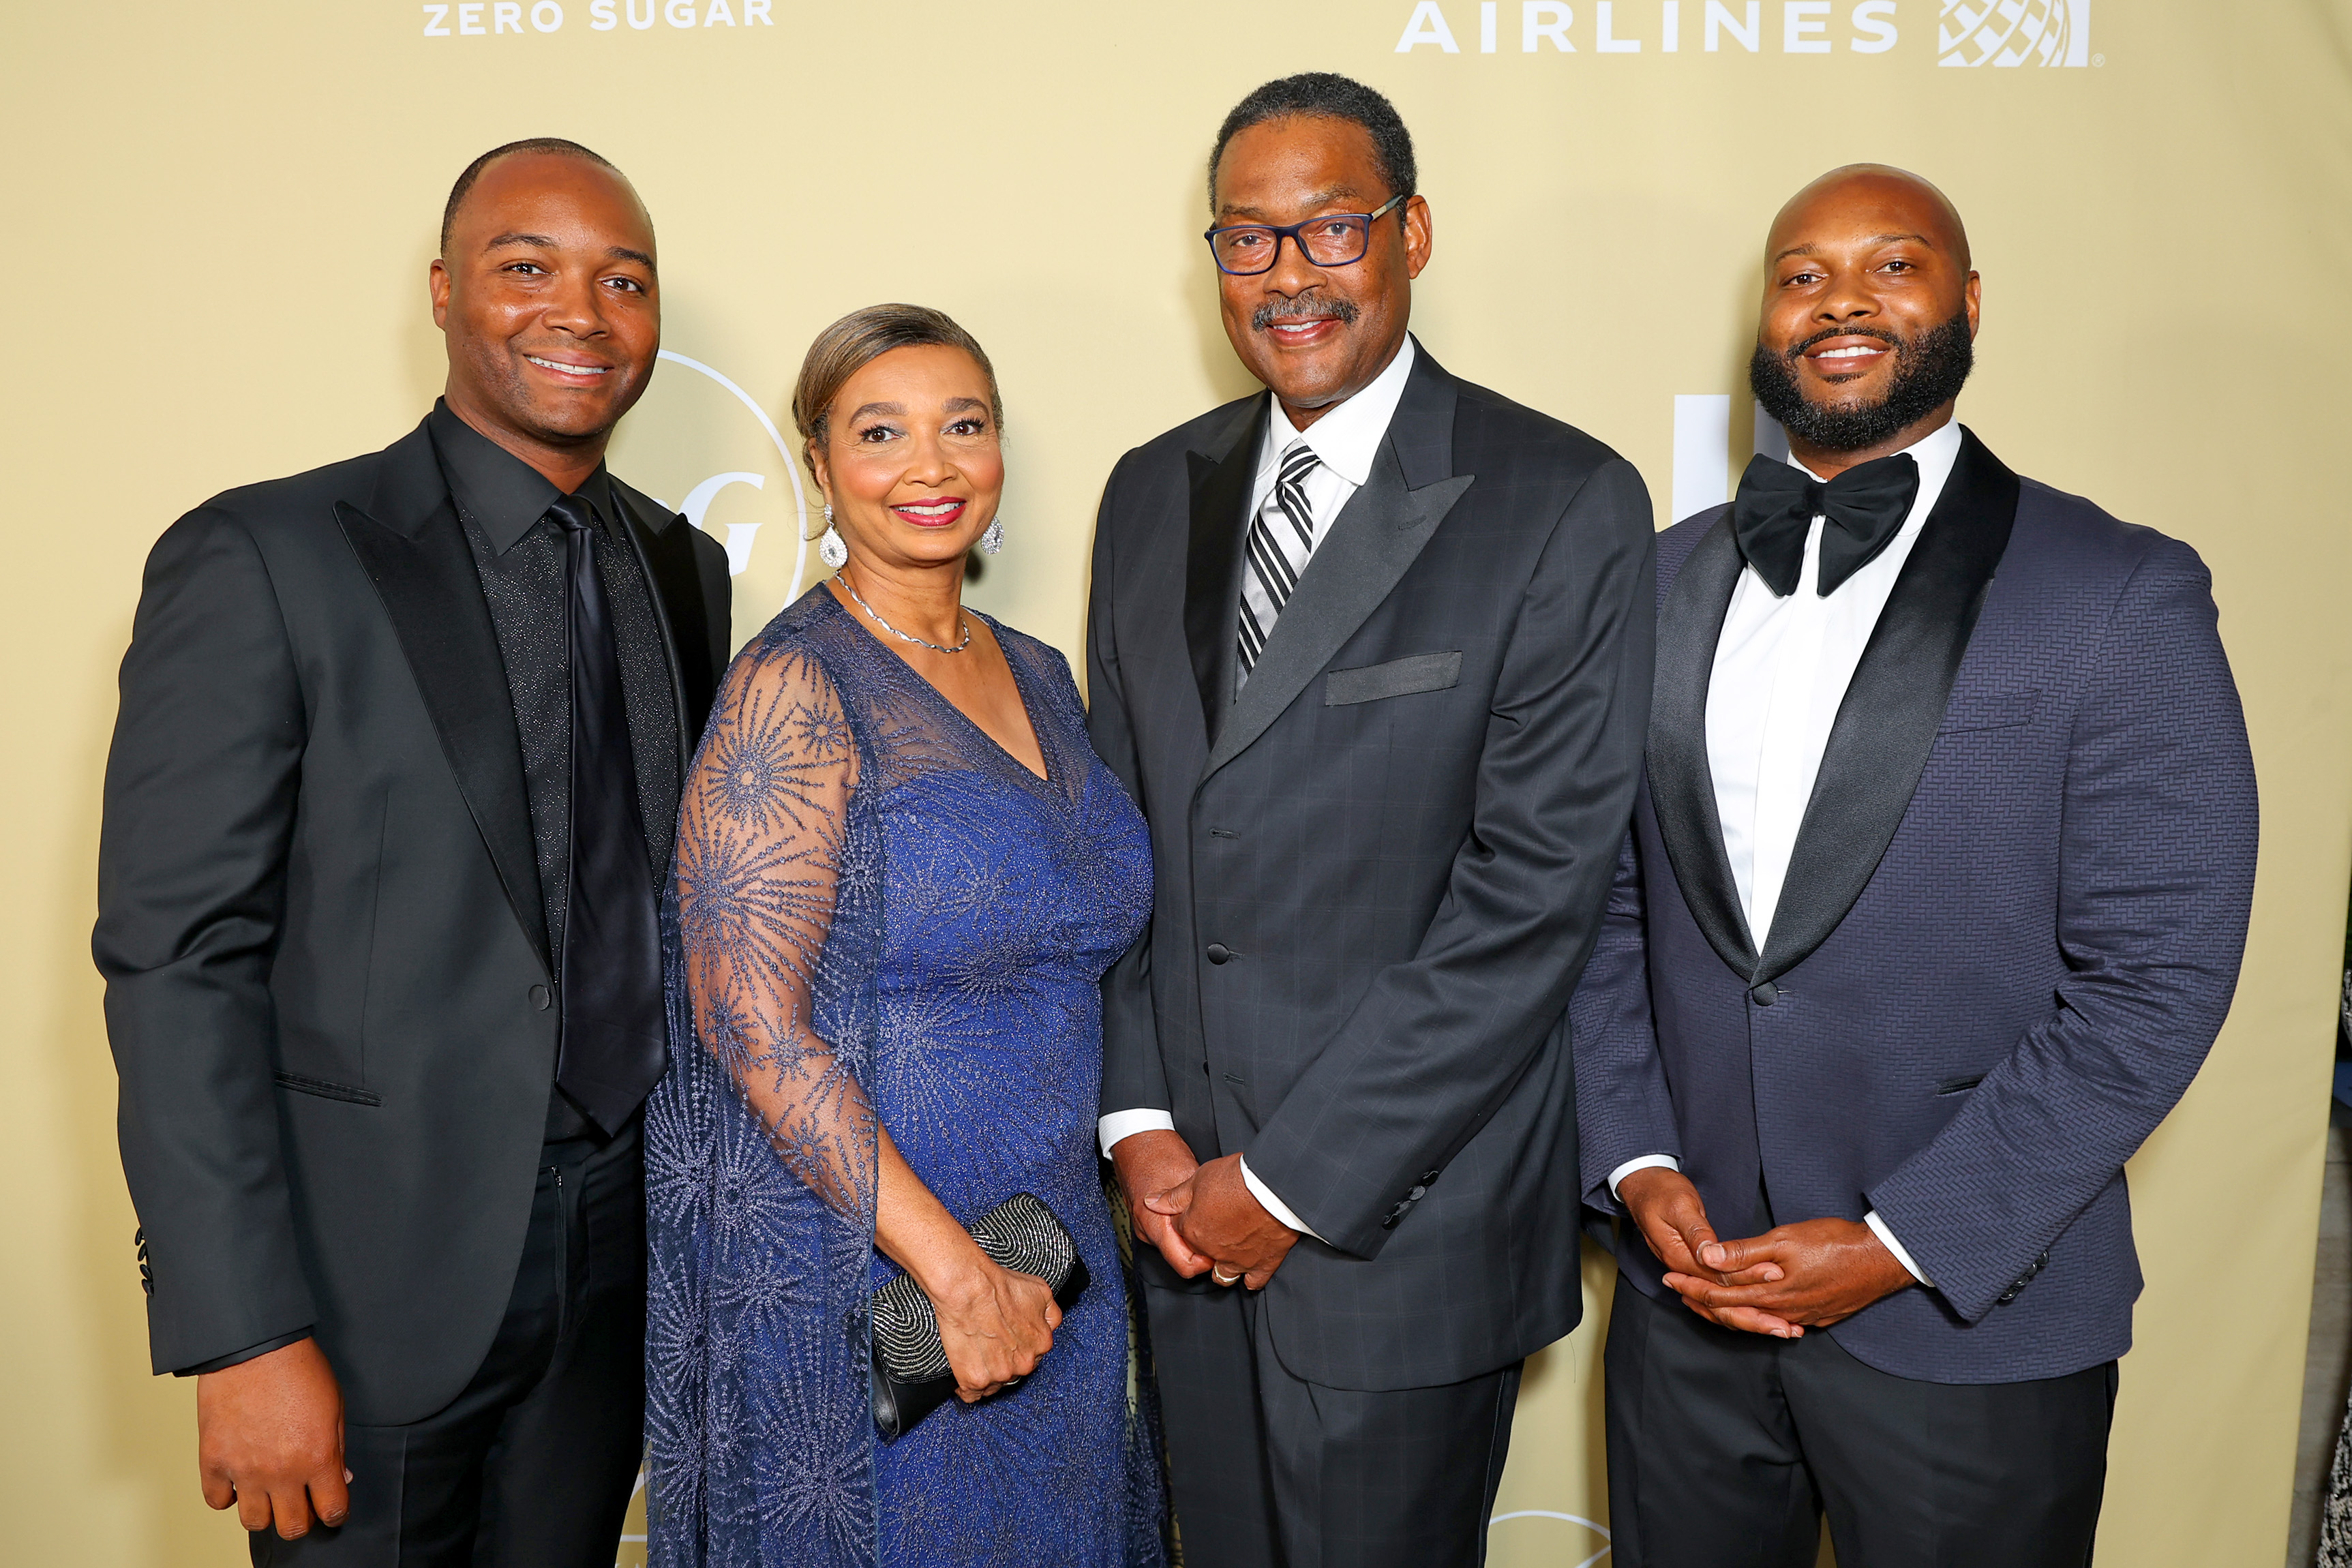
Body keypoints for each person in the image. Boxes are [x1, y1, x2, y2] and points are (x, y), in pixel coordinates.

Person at [1573, 164, 2258, 1567]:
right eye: (1802, 271)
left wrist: (1897, 1242)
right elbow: (1603, 909)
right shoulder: (1649, 581)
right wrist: (1637, 1164)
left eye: (1894, 266)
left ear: (1968, 303)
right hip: (1685, 1313)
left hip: (1974, 1318)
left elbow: (2155, 983)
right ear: (1764, 320)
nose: (1842, 301)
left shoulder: (2118, 591)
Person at [94, 140, 731, 1563]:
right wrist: (241, 1327)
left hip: (625, 1265)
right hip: (362, 1293)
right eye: (527, 268)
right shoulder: (265, 554)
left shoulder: (682, 567)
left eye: (622, 280)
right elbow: (176, 958)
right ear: (443, 293)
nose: (581, 309)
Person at [1086, 73, 1655, 1568]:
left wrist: (1284, 1186)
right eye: (1248, 241)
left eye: (1331, 229)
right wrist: (1141, 1125)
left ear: (1411, 231)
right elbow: (1122, 835)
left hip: (1392, 1237)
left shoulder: (1560, 498)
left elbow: (1531, 900)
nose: (1289, 277)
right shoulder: (1152, 491)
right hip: (1180, 1234)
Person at [642, 304, 1165, 1567]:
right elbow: (746, 1019)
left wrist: (1016, 1268)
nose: (930, 467)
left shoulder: (1038, 669)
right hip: (879, 1279)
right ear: (819, 465)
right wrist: (953, 1274)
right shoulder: (793, 687)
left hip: (1054, 1254)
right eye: (882, 433)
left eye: (963, 427)